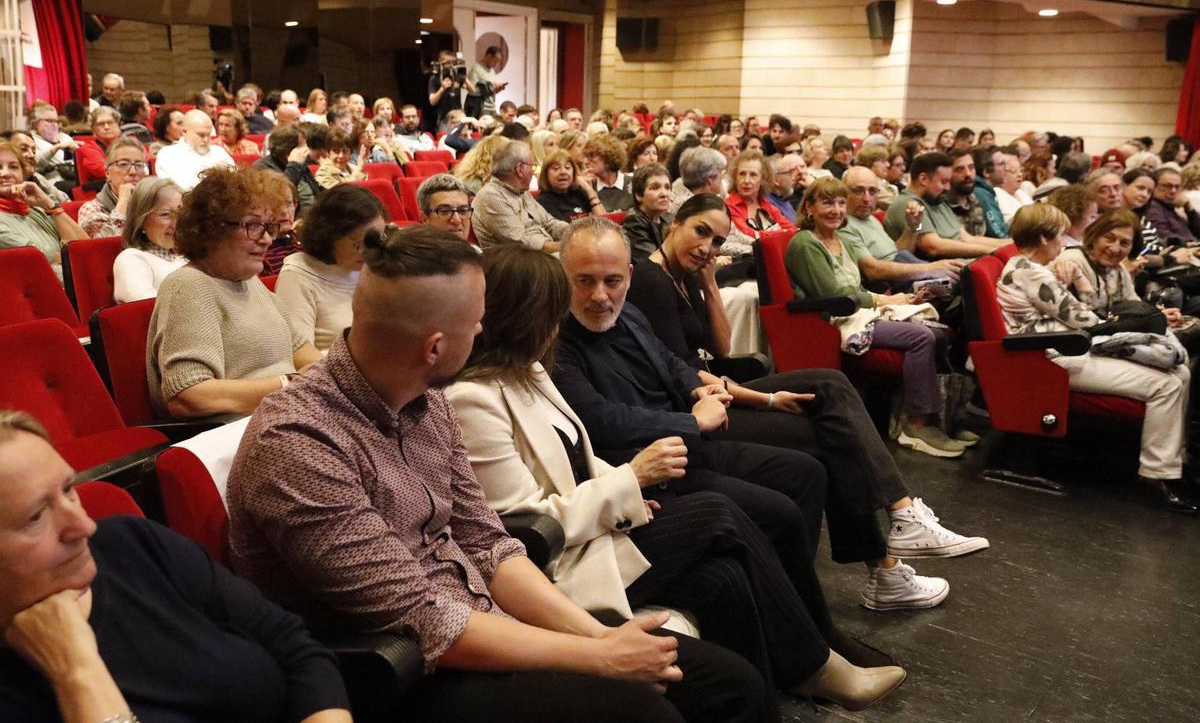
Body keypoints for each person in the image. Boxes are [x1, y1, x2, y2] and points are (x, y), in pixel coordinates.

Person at [228, 225, 767, 723]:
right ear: (435, 346)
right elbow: (423, 617)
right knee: (649, 712)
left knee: (729, 682)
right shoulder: (298, 443)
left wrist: (601, 637)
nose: (486, 330)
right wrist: (597, 657)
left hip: (481, 620)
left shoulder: (426, 399)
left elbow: (489, 543)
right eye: (476, 322)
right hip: (403, 673)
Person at [446, 245, 908, 713]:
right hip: (562, 563)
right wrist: (630, 481)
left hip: (606, 518)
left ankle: (790, 675)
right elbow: (518, 528)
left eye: (611, 281)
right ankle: (816, 663)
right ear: (521, 317)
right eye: (564, 298)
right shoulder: (473, 399)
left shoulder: (529, 370)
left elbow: (578, 457)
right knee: (719, 513)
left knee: (726, 572)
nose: (567, 315)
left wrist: (631, 491)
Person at [556, 217, 972, 611]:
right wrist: (700, 413)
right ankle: (874, 564)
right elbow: (602, 418)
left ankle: (888, 534)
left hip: (702, 406)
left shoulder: (632, 307)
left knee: (828, 399)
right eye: (585, 281)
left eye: (719, 240)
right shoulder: (589, 318)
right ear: (675, 226)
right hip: (671, 443)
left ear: (626, 273)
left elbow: (676, 360)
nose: (600, 294)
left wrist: (700, 385)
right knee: (824, 437)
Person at [0, 410, 353, 723]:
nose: (84, 526)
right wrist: (78, 672)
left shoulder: (132, 544)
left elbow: (296, 649)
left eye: (69, 489)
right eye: (35, 517)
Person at [996, 204, 1194, 512]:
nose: (1063, 243)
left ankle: (1172, 463)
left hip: (1063, 347)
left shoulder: (1026, 268)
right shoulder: (1029, 272)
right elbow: (1086, 320)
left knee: (1179, 374)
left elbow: (1085, 316)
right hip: (1050, 355)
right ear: (1045, 238)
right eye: (1060, 236)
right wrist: (1091, 292)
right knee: (1165, 384)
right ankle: (1156, 475)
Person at [788, 178, 968, 458]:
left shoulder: (837, 238)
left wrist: (904, 300)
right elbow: (834, 296)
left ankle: (939, 418)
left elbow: (854, 288)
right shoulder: (805, 243)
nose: (836, 210)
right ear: (809, 208)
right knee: (920, 338)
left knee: (935, 330)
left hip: (855, 312)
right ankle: (917, 426)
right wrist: (883, 299)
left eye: (839, 203)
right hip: (830, 322)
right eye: (827, 203)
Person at [147, 168, 321, 420]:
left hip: (284, 415)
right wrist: (288, 385)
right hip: (236, 434)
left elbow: (302, 352)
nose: (267, 240)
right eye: (252, 225)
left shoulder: (251, 283)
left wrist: (327, 377)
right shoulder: (188, 285)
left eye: (268, 227)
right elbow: (188, 395)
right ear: (211, 229)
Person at [277, 185, 385, 352]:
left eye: (375, 241)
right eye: (358, 244)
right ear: (328, 236)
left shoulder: (371, 267)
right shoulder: (298, 275)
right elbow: (299, 355)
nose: (369, 252)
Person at [838, 166, 963, 289]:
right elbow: (872, 270)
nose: (866, 199)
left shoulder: (871, 219)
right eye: (859, 191)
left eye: (872, 191)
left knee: (963, 277)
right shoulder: (844, 225)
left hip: (907, 269)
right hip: (894, 285)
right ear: (843, 192)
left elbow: (898, 252)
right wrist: (930, 269)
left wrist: (913, 226)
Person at [883, 151, 1010, 259]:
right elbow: (934, 247)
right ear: (924, 179)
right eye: (944, 182)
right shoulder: (909, 205)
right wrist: (992, 252)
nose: (948, 187)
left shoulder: (938, 202)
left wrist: (1009, 245)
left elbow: (967, 238)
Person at [0, 141, 87, 283]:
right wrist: (64, 255)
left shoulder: (35, 209)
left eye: (13, 167)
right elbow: (42, 260)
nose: (5, 173)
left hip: (75, 286)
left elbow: (84, 249)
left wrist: (48, 203)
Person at [473, 141, 569, 252]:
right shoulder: (491, 196)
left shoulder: (521, 191)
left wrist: (576, 233)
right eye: (532, 167)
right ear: (520, 169)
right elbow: (521, 242)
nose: (533, 172)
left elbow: (549, 223)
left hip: (543, 255)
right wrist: (565, 248)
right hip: (519, 262)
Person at [112, 177, 186, 303]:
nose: (176, 223)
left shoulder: (190, 254)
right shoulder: (131, 259)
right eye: (165, 214)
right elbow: (150, 309)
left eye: (181, 213)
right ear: (141, 221)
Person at [77, 138, 149, 238]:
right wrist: (123, 201)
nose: (133, 171)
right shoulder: (92, 209)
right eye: (123, 164)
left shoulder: (155, 202)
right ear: (107, 173)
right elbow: (106, 247)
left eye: (139, 165)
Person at [154, 109, 236, 191]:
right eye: (201, 135)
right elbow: (180, 190)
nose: (206, 139)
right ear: (185, 132)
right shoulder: (168, 155)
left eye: (209, 134)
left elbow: (235, 180)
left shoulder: (219, 152)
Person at [252, 124, 321, 214]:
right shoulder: (261, 167)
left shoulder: (300, 164)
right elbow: (281, 196)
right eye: (301, 147)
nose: (306, 151)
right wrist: (294, 165)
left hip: (313, 217)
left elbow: (318, 191)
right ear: (287, 149)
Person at [725, 152, 795, 239]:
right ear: (735, 178)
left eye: (753, 175)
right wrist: (780, 234)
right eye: (742, 174)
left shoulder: (767, 206)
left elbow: (792, 230)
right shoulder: (728, 206)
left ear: (763, 180)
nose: (746, 180)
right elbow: (747, 235)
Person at [536, 148, 606, 222]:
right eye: (556, 168)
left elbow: (606, 223)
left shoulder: (579, 193)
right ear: (545, 174)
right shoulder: (542, 202)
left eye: (567, 167)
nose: (563, 172)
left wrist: (590, 191)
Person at [623, 164, 673, 262]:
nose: (664, 194)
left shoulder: (671, 218)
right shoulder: (633, 222)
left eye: (667, 187)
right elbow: (654, 263)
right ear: (639, 195)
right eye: (655, 188)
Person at [29, 103, 79, 188]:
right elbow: (36, 162)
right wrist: (57, 147)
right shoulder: (31, 140)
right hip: (52, 182)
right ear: (36, 123)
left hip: (73, 176)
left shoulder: (64, 136)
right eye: (49, 121)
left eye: (56, 121)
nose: (55, 124)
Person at [417, 173, 475, 243]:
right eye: (445, 211)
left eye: (462, 211)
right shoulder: (414, 253)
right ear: (425, 219)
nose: (457, 220)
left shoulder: (477, 251)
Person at [583, 135, 634, 212]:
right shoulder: (588, 188)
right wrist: (589, 190)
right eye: (586, 157)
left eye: (592, 156)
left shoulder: (633, 183)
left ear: (608, 157)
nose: (586, 162)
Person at [75, 107, 122, 180]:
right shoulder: (87, 148)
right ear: (93, 128)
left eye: (110, 122)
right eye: (101, 124)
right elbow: (102, 171)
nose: (106, 127)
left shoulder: (129, 142)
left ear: (118, 124)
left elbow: (144, 159)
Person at [467, 45, 507, 118]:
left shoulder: (492, 71)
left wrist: (498, 89)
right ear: (488, 56)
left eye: (498, 62)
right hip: (481, 107)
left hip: (492, 106)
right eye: (495, 60)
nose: (496, 64)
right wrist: (490, 88)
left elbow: (491, 91)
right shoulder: (476, 68)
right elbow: (471, 90)